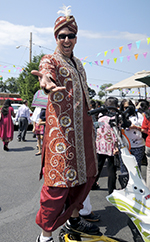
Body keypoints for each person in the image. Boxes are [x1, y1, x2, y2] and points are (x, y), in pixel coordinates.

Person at [31, 6, 99, 242]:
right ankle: (45, 236)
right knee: (57, 186)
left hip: (84, 136)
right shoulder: (51, 59)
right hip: (62, 136)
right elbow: (45, 72)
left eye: (71, 35)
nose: (67, 39)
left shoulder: (79, 64)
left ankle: (73, 219)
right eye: (62, 36)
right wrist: (46, 82)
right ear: (56, 38)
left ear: (76, 38)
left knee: (85, 179)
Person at [94, 97, 119, 194]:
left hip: (100, 144)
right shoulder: (114, 117)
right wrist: (117, 146)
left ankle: (92, 184)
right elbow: (116, 133)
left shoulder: (100, 115)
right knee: (111, 168)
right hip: (111, 145)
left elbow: (98, 128)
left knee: (99, 166)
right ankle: (111, 190)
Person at [120, 99, 145, 172]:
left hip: (138, 146)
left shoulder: (138, 116)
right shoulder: (120, 116)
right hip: (124, 146)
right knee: (124, 168)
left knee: (136, 168)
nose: (127, 109)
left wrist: (135, 127)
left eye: (128, 107)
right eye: (125, 107)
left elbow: (144, 129)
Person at [141, 108, 150, 190]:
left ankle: (149, 190)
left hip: (149, 143)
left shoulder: (147, 113)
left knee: (149, 169)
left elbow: (143, 129)